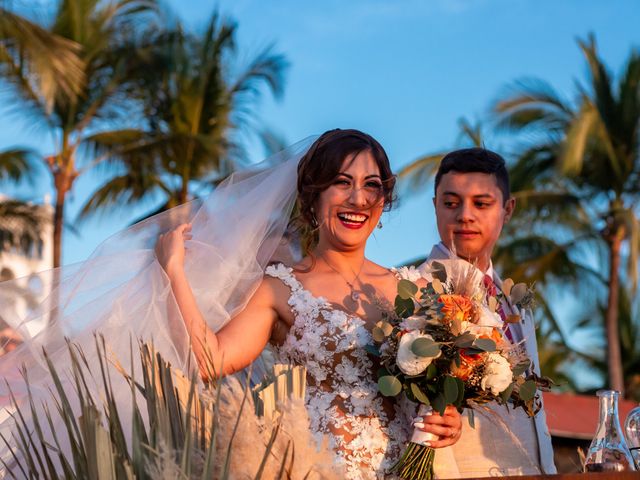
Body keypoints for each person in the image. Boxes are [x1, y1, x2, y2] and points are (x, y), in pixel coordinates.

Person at [155, 129, 462, 479]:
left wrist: (447, 421)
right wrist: (174, 271)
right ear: (313, 196)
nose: (358, 199)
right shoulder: (279, 289)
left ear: (384, 199)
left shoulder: (416, 290)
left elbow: (435, 395)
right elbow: (208, 361)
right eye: (342, 182)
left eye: (371, 185)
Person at [418, 147, 557, 477]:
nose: (465, 215)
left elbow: (534, 412)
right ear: (435, 205)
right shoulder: (418, 291)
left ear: (508, 209)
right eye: (451, 203)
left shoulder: (516, 303)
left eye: (481, 203)